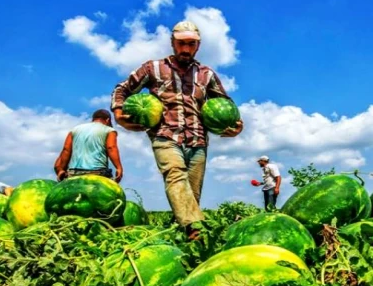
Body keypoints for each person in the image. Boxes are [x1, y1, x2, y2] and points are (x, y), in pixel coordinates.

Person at [111, 20, 243, 240]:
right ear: (172, 43)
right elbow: (122, 89)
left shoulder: (206, 74)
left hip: (198, 140)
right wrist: (118, 113)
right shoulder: (152, 68)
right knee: (175, 176)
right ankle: (197, 230)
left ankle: (182, 237)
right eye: (181, 43)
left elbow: (225, 102)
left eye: (191, 44)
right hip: (165, 135)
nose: (185, 49)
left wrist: (237, 124)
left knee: (191, 194)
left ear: (197, 46)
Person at [54, 109, 124, 182]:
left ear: (93, 119)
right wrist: (118, 167)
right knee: (111, 191)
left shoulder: (75, 129)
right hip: (98, 173)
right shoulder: (109, 130)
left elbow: (66, 150)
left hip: (74, 173)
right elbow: (111, 147)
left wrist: (61, 169)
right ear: (108, 120)